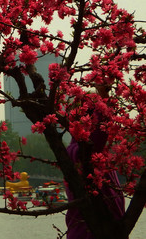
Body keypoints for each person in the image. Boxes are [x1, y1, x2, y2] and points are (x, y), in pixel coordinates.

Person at [65, 86, 125, 238]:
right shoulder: (81, 150)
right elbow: (99, 133)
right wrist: (104, 97)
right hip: (89, 232)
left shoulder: (93, 152)